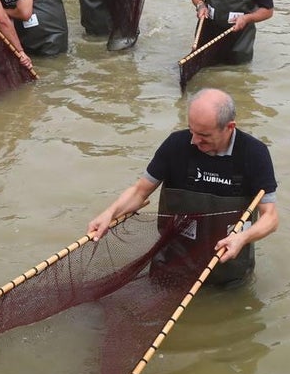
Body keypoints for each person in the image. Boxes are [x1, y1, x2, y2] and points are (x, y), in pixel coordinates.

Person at [88, 88, 278, 286]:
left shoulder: (254, 153)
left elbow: (270, 218)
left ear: (229, 127)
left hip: (227, 270)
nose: (194, 140)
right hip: (173, 266)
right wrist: (109, 213)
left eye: (204, 134)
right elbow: (140, 191)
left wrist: (243, 238)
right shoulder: (176, 145)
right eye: (191, 130)